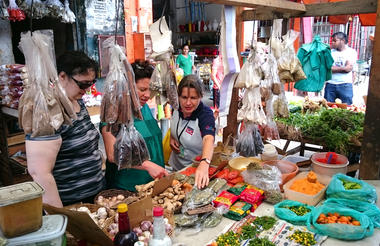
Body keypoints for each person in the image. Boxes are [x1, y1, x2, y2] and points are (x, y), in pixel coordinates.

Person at [26, 51, 105, 207]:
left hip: (95, 194)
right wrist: (59, 215)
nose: (87, 89)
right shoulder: (49, 111)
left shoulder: (78, 102)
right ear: (62, 76)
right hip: (70, 201)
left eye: (91, 83)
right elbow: (39, 172)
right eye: (82, 84)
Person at [101, 60, 168, 192]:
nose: (148, 95)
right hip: (127, 189)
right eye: (142, 90)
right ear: (128, 87)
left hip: (152, 185)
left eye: (151, 90)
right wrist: (148, 166)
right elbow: (112, 154)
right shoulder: (114, 111)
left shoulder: (144, 108)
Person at [169, 74, 216, 189]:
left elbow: (208, 138)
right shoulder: (175, 107)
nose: (188, 103)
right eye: (184, 97)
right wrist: (172, 137)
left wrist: (204, 162)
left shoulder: (205, 115)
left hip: (196, 171)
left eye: (193, 98)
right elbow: (175, 125)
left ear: (201, 97)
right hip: (176, 168)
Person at [324, 32, 357, 105]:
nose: (332, 43)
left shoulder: (351, 52)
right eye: (332, 41)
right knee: (327, 108)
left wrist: (333, 68)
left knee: (346, 109)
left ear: (342, 41)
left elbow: (348, 69)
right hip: (330, 84)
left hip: (345, 85)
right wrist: (343, 68)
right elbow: (328, 69)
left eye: (335, 41)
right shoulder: (330, 52)